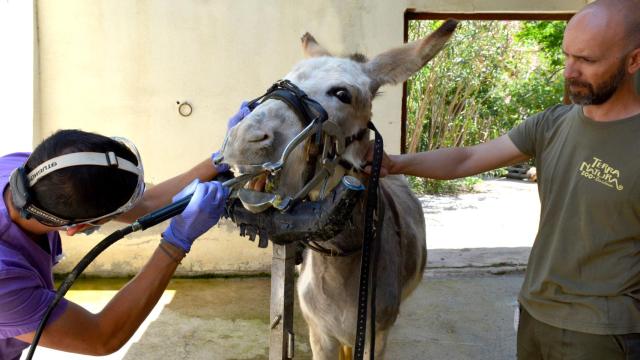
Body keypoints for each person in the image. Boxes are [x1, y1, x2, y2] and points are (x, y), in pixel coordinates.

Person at [366, 0, 640, 358]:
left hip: (605, 332)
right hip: (535, 314)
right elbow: (468, 158)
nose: (569, 72)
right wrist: (394, 164)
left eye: (587, 61)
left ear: (633, 60)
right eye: (567, 56)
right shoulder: (552, 124)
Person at [0, 103, 250, 359]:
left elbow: (146, 204)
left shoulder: (30, 171)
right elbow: (100, 336)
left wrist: (222, 157)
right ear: (78, 227)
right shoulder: (4, 280)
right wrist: (176, 242)